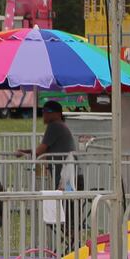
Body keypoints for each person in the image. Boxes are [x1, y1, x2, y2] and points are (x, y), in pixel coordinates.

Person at [18, 100, 80, 245]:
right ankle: (72, 244)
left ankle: (73, 245)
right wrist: (25, 152)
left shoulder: (55, 126)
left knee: (62, 217)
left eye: (48, 111)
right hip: (70, 177)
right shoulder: (59, 126)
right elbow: (42, 150)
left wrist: (25, 153)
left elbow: (40, 151)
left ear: (58, 114)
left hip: (67, 179)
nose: (44, 114)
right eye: (43, 111)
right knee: (66, 217)